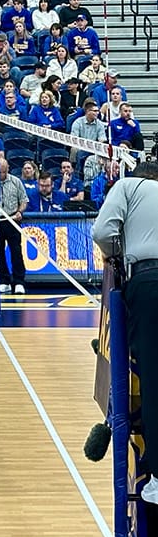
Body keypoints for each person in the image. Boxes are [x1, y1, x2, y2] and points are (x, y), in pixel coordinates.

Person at [92, 162, 158, 505]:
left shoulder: (129, 186)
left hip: (149, 280)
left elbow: (102, 232)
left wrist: (115, 255)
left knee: (153, 378)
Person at [0, 157, 29, 295]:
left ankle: (19, 281)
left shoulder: (16, 182)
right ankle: (4, 280)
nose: (1, 175)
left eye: (3, 172)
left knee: (16, 251)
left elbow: (24, 200)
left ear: (7, 169)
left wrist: (20, 211)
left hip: (12, 219)